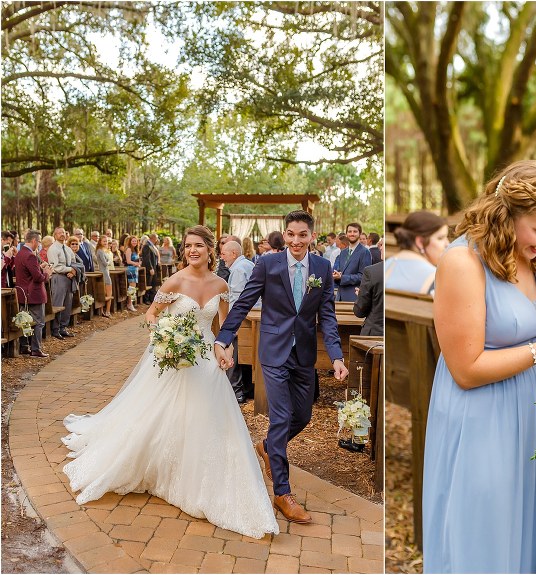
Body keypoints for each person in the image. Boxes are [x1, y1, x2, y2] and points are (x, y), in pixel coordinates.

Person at [421, 160, 536, 574]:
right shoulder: (462, 262)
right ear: (507, 215)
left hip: (532, 413)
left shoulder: (532, 257)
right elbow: (467, 369)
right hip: (482, 414)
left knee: (529, 533)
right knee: (484, 534)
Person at [61, 225, 279, 540]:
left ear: (209, 250)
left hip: (204, 358)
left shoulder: (220, 285)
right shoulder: (174, 281)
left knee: (207, 415)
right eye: (188, 246)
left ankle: (204, 478)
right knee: (164, 413)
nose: (192, 251)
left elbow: (224, 327)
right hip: (174, 356)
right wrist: (165, 335)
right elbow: (151, 314)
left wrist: (227, 351)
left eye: (198, 246)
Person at [214, 210, 350, 524]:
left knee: (302, 416)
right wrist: (224, 338)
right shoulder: (267, 265)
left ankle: (267, 447)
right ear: (284, 234)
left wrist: (337, 356)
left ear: (312, 236)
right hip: (273, 352)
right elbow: (244, 303)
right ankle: (282, 493)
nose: (296, 240)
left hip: (303, 354)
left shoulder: (322, 267)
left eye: (302, 235)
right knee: (281, 418)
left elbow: (327, 316)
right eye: (291, 234)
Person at [219, 240, 256, 404]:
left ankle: (237, 391)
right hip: (252, 315)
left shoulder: (239, 270)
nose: (222, 257)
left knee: (235, 352)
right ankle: (246, 389)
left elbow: (237, 299)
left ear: (233, 253)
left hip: (244, 318)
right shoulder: (247, 264)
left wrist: (228, 320)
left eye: (224, 254)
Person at [385, 211, 449, 295]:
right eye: (440, 238)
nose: (447, 244)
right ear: (420, 242)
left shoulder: (387, 264)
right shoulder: (438, 279)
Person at [15, 230, 53, 357]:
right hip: (33, 294)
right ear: (33, 241)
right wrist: (47, 273)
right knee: (38, 322)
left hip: (23, 293)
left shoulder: (20, 253)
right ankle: (36, 349)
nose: (39, 244)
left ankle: (24, 346)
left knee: (25, 321)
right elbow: (37, 277)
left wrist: (40, 268)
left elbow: (29, 272)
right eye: (39, 241)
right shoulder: (30, 255)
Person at [47, 227, 78, 339]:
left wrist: (74, 271)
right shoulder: (53, 249)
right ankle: (55, 329)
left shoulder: (68, 249)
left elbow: (74, 262)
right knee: (58, 303)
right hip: (58, 277)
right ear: (55, 235)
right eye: (59, 233)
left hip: (69, 278)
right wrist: (69, 269)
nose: (62, 234)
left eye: (63, 233)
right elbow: (55, 267)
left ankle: (63, 327)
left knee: (68, 303)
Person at [332, 222, 372, 301]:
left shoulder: (365, 252)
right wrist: (336, 276)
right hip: (339, 296)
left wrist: (342, 277)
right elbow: (340, 273)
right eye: (349, 231)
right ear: (346, 234)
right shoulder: (343, 252)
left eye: (355, 231)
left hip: (354, 297)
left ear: (360, 234)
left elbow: (363, 277)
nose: (352, 234)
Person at [353, 261, 383, 336]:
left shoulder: (372, 271)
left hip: (374, 333)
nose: (380, 248)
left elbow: (359, 312)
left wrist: (361, 296)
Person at [94, 235, 113, 318]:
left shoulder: (105, 250)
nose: (106, 243)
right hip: (104, 273)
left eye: (106, 241)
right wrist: (110, 261)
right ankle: (105, 311)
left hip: (106, 272)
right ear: (100, 242)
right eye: (104, 241)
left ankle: (106, 311)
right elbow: (105, 263)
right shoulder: (100, 251)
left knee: (107, 293)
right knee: (106, 294)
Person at [123, 236, 141, 312]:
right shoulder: (129, 249)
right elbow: (128, 261)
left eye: (135, 241)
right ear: (130, 241)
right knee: (131, 288)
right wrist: (136, 263)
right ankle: (129, 304)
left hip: (135, 269)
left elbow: (137, 259)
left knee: (133, 287)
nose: (134, 242)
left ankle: (131, 303)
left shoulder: (136, 250)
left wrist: (139, 263)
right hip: (131, 269)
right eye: (133, 241)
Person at [141, 233, 160, 304]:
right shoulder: (147, 246)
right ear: (154, 238)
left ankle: (152, 299)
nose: (157, 240)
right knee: (148, 283)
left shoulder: (152, 246)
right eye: (157, 238)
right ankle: (146, 299)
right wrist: (150, 268)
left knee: (153, 283)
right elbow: (147, 258)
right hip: (149, 268)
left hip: (154, 267)